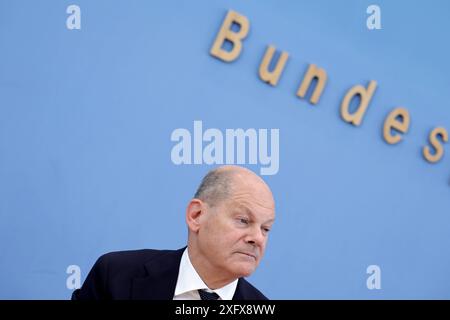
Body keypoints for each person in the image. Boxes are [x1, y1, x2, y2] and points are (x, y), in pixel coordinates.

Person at [71, 165, 276, 300]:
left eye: (265, 228)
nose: (257, 238)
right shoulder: (116, 276)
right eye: (243, 220)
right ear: (196, 215)